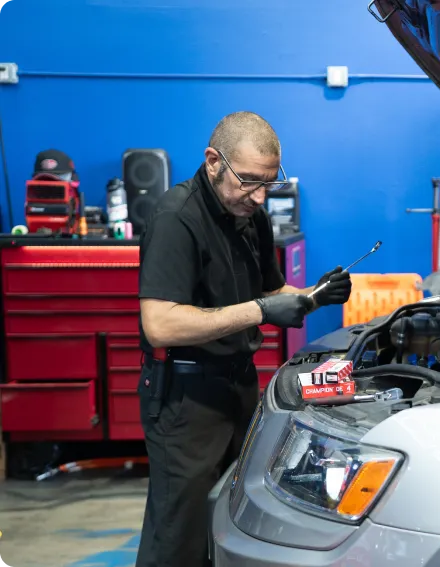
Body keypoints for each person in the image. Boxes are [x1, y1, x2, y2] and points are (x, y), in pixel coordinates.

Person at [133, 111, 351, 567]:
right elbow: (161, 323)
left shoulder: (251, 215)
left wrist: (313, 296)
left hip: (240, 386)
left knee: (233, 517)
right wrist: (261, 311)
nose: (258, 196)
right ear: (213, 161)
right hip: (185, 398)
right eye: (248, 181)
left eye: (268, 184)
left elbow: (268, 292)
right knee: (179, 535)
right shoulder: (177, 217)